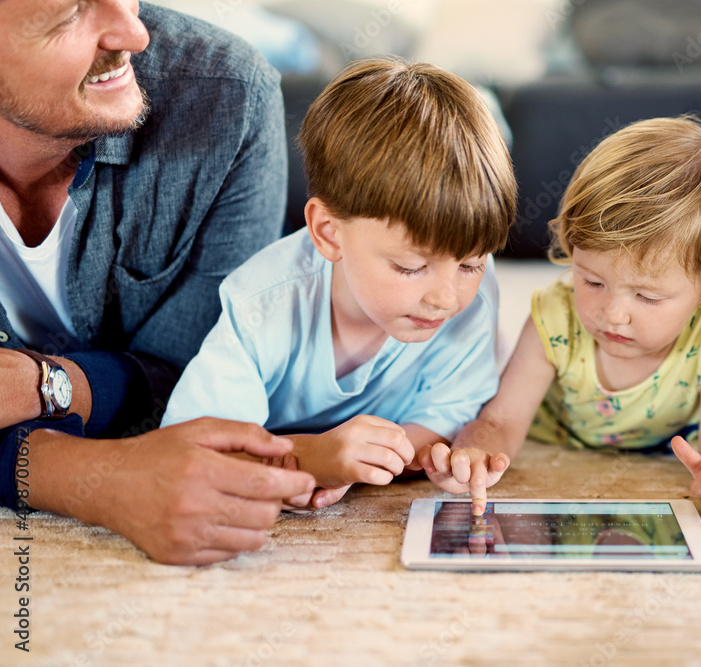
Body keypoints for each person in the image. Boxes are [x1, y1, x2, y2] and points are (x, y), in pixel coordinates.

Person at [0, 0, 316, 565]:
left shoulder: (227, 94)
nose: (134, 33)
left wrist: (40, 387)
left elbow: (195, 384)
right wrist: (95, 479)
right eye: (71, 13)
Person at [161, 57, 518, 510]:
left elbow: (450, 412)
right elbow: (192, 453)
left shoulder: (475, 302)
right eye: (410, 267)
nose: (447, 299)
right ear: (329, 233)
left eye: (470, 264)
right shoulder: (264, 304)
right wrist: (311, 457)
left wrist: (396, 455)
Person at [418, 117, 701, 521]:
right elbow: (501, 419)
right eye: (592, 280)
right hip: (560, 439)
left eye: (647, 296)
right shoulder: (556, 315)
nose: (613, 314)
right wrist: (475, 451)